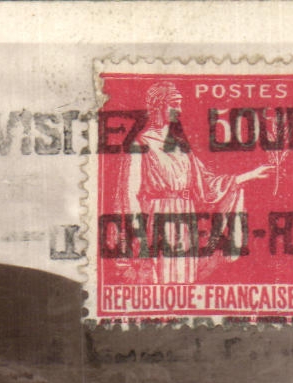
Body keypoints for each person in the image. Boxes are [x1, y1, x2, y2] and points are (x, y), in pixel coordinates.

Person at [115, 80, 281, 283]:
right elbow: (131, 194)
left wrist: (250, 175)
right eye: (174, 103)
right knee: (161, 278)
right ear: (159, 105)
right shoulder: (140, 144)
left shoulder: (182, 147)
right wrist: (139, 233)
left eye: (180, 103)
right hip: (158, 218)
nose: (179, 109)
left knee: (185, 278)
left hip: (186, 218)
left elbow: (207, 183)